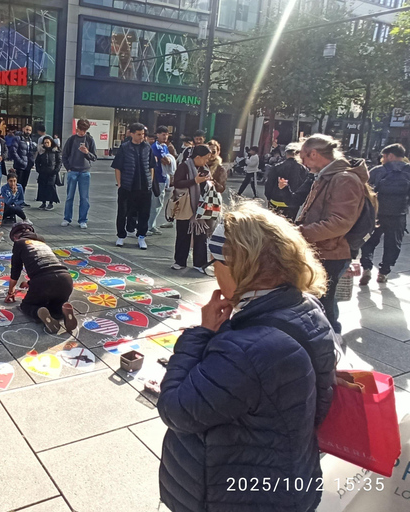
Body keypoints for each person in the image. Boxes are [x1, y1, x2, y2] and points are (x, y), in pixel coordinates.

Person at [158, 202, 337, 512]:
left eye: (216, 262)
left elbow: (176, 410)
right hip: (286, 476)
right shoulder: (306, 307)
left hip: (235, 492)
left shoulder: (247, 349)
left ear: (239, 265)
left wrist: (201, 335)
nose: (214, 272)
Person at [297, 134, 375, 333]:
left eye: (303, 156)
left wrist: (300, 232)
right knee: (318, 301)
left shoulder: (344, 179)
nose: (302, 162)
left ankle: (331, 344)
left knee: (324, 304)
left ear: (313, 154)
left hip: (332, 253)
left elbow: (340, 223)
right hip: (324, 250)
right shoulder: (330, 176)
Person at [6, 222, 76, 334]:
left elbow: (16, 270)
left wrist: (11, 292)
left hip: (43, 281)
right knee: (55, 305)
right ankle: (63, 310)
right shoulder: (42, 243)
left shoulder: (19, 243)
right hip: (66, 279)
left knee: (27, 305)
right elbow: (49, 268)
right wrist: (30, 283)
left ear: (15, 237)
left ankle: (38, 311)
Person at [359, 143, 410, 285]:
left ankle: (367, 268)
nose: (382, 159)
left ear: (390, 156)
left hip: (376, 215)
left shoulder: (378, 171)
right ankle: (383, 272)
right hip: (398, 215)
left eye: (384, 156)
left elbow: (364, 191)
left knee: (368, 241)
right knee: (393, 245)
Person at [112, 123, 157, 250]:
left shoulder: (147, 147)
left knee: (144, 213)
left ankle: (141, 236)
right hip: (127, 186)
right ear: (131, 133)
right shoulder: (125, 147)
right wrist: (120, 184)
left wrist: (150, 182)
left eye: (143, 134)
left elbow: (151, 166)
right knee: (123, 212)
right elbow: (118, 167)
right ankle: (121, 235)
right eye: (138, 134)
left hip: (144, 187)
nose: (141, 136)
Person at [171, 144, 212, 272]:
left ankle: (199, 263)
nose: (206, 161)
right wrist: (195, 181)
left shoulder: (204, 168)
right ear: (198, 157)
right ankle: (180, 261)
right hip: (185, 204)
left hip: (200, 206)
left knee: (201, 234)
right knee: (183, 233)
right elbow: (177, 182)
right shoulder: (185, 166)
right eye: (205, 158)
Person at [61, 118, 96, 229]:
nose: (82, 132)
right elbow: (64, 155)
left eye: (84, 130)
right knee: (69, 196)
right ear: (77, 129)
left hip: (85, 171)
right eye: (80, 130)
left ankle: (83, 220)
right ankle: (67, 218)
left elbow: (94, 157)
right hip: (73, 170)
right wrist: (68, 168)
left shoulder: (90, 139)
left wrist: (87, 153)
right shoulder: (71, 139)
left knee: (84, 197)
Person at [265, 145, 308, 221]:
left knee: (273, 224)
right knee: (288, 225)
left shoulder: (277, 167)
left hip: (275, 200)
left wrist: (268, 197)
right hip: (293, 204)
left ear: (285, 154)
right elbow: (304, 187)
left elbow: (269, 183)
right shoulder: (303, 169)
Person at [148, 126, 174, 236]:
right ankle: (149, 226)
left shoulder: (164, 146)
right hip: (157, 179)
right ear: (157, 135)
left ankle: (152, 225)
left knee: (158, 203)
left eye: (167, 134)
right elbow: (166, 160)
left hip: (163, 178)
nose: (165, 137)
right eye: (163, 134)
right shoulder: (156, 147)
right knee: (156, 203)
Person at [35, 136, 61, 210]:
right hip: (43, 172)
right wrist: (38, 169)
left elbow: (59, 162)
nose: (46, 144)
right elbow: (37, 162)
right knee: (42, 187)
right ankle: (43, 203)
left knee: (51, 187)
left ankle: (51, 203)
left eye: (48, 142)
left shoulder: (55, 151)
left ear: (51, 143)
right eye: (45, 142)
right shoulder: (41, 151)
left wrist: (56, 170)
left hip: (52, 172)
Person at [12, 125, 36, 203]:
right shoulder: (18, 138)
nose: (28, 131)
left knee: (24, 184)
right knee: (18, 184)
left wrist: (31, 162)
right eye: (27, 129)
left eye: (30, 130)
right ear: (23, 129)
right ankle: (15, 200)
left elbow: (31, 152)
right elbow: (13, 151)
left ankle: (21, 200)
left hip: (27, 166)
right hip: (19, 165)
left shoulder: (29, 140)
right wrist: (20, 161)